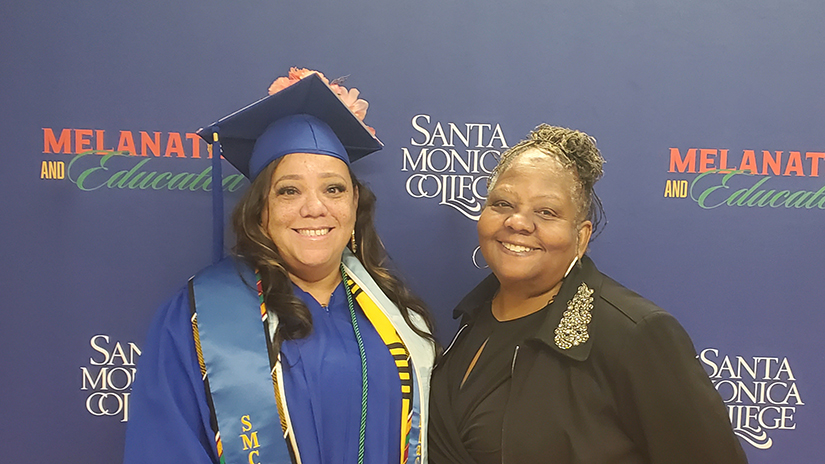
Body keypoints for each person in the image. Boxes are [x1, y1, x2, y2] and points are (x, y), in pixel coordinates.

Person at [124, 70, 436, 464]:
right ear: (261, 210)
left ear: (355, 204)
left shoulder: (395, 317)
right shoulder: (194, 320)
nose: (314, 208)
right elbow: (166, 448)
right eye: (289, 190)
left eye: (333, 188)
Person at [428, 124, 748, 464]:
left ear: (580, 237)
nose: (518, 222)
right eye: (503, 204)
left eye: (546, 212)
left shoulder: (634, 333)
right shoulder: (472, 318)